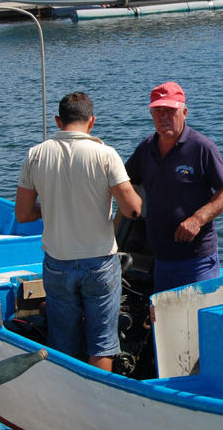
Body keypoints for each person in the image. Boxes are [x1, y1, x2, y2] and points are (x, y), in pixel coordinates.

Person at [15, 92, 141, 371]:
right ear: (92, 121)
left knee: (63, 343)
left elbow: (23, 214)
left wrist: (51, 204)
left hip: (57, 263)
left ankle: (67, 396)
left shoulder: (35, 155)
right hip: (99, 263)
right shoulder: (105, 154)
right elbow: (132, 209)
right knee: (102, 345)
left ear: (59, 121)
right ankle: (98, 400)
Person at [124, 81, 223, 294]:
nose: (164, 117)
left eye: (170, 111)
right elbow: (124, 183)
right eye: (158, 111)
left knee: (196, 321)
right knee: (167, 323)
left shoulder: (202, 147)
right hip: (161, 260)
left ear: (184, 112)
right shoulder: (145, 148)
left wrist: (197, 220)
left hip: (197, 260)